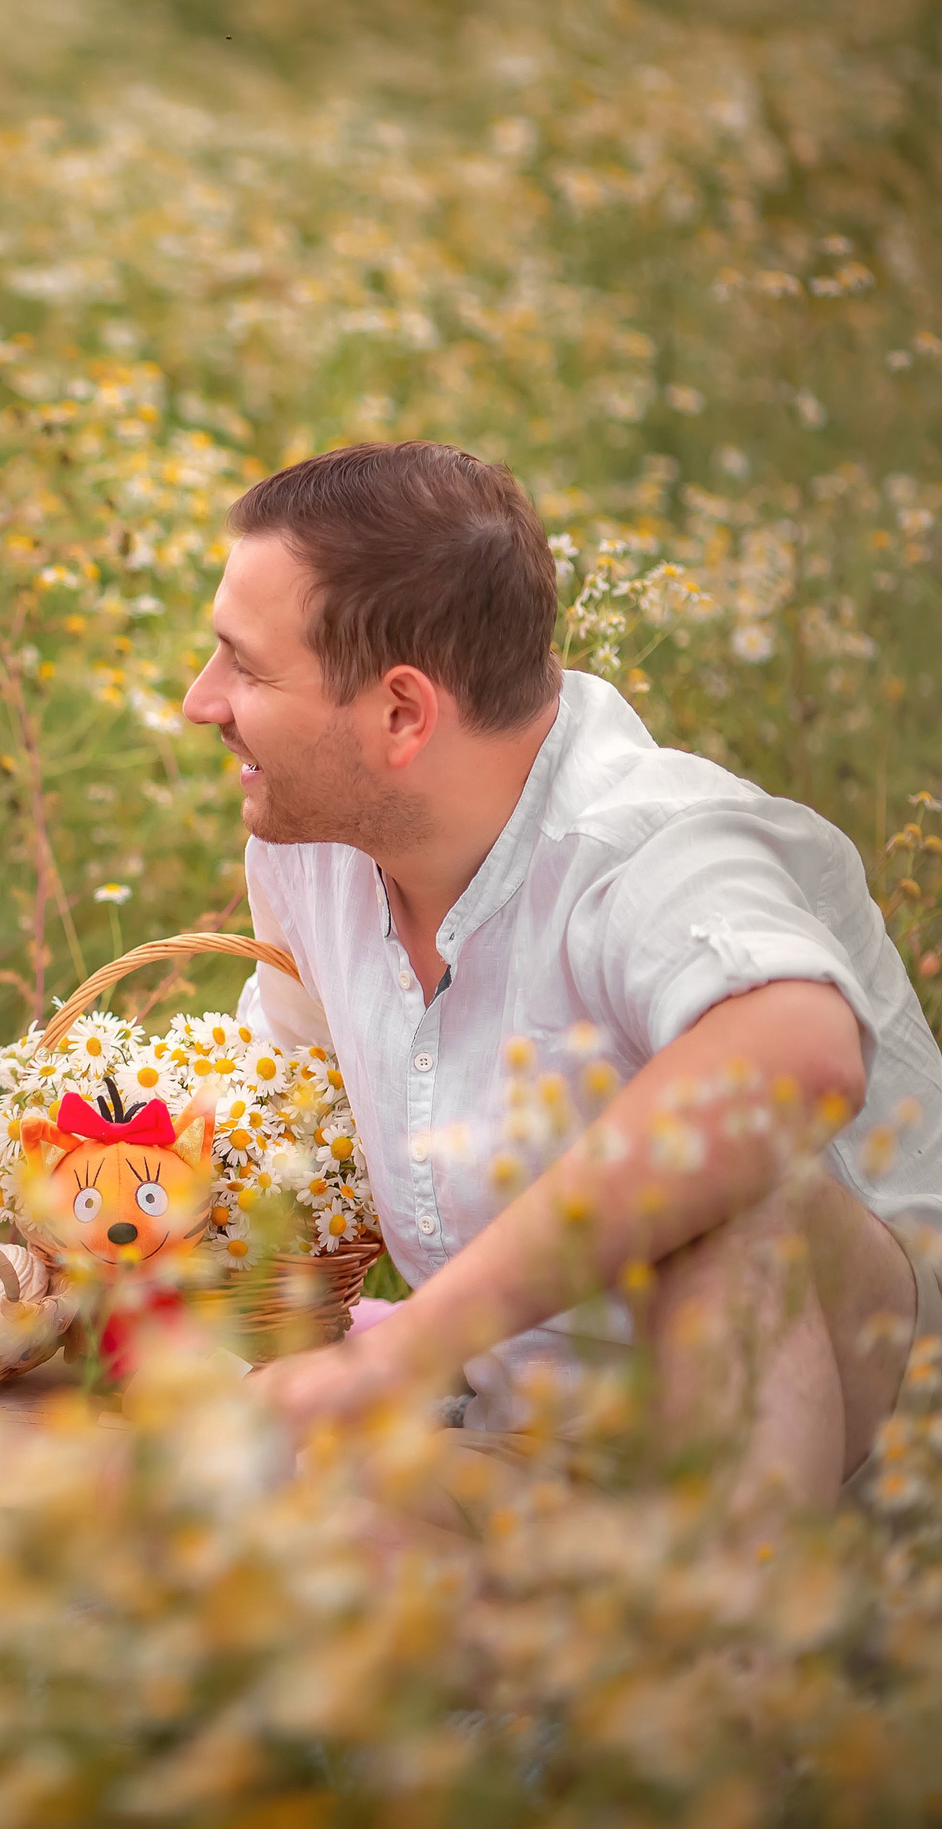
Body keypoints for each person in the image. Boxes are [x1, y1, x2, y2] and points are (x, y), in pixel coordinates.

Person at [180, 439, 942, 1516]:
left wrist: (400, 1353)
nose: (197, 701)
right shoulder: (309, 851)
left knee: (716, 1167)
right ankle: (613, 1629)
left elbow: (797, 1054)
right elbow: (284, 1121)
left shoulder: (653, 841)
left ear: (402, 712)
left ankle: (750, 1653)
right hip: (537, 1453)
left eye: (245, 667)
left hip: (850, 1462)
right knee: (194, 1548)